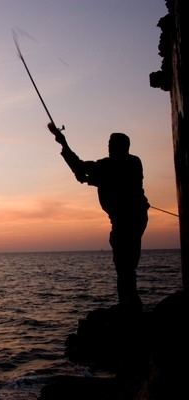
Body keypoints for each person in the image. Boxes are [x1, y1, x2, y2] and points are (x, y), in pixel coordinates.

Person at [48, 122, 149, 312]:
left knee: (124, 264)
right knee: (127, 264)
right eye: (109, 144)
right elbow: (95, 175)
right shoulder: (134, 162)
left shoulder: (110, 165)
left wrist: (63, 143)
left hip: (125, 220)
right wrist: (86, 177)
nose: (109, 147)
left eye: (112, 144)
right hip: (138, 216)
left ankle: (129, 307)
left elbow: (82, 167)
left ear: (120, 146)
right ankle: (130, 304)